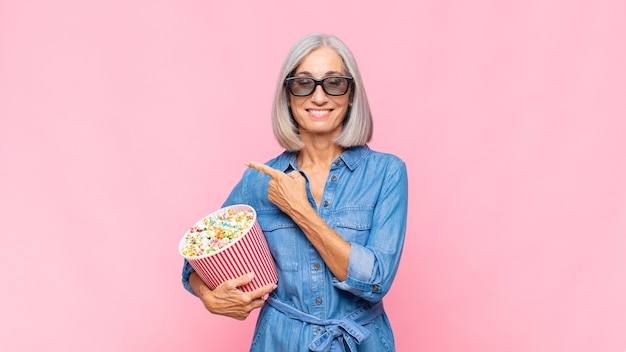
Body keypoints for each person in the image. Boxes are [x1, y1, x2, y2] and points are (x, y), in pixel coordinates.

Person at [182, 32, 408, 352]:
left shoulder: (386, 173)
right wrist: (209, 296)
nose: (318, 97)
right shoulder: (259, 180)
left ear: (351, 94)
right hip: (278, 342)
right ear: (287, 96)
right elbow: (197, 258)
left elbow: (375, 280)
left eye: (334, 83)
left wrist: (299, 209)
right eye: (303, 84)